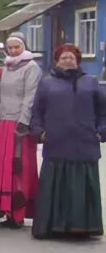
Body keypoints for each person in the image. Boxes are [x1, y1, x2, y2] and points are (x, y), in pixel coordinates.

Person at [31, 44, 106, 240]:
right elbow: (37, 111)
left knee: (81, 187)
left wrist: (101, 131)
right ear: (57, 61)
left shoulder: (90, 82)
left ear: (78, 60)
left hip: (85, 143)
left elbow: (103, 111)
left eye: (71, 58)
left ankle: (82, 228)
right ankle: (51, 226)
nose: (67, 60)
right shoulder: (46, 83)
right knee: (53, 186)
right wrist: (39, 132)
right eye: (63, 58)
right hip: (56, 142)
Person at [0, 31, 41, 229]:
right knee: (5, 170)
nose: (13, 50)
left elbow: (30, 96)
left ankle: (19, 213)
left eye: (16, 47)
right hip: (4, 120)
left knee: (19, 169)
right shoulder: (7, 66)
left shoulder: (31, 67)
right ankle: (6, 210)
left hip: (19, 124)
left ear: (24, 46)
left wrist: (23, 121)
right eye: (10, 47)